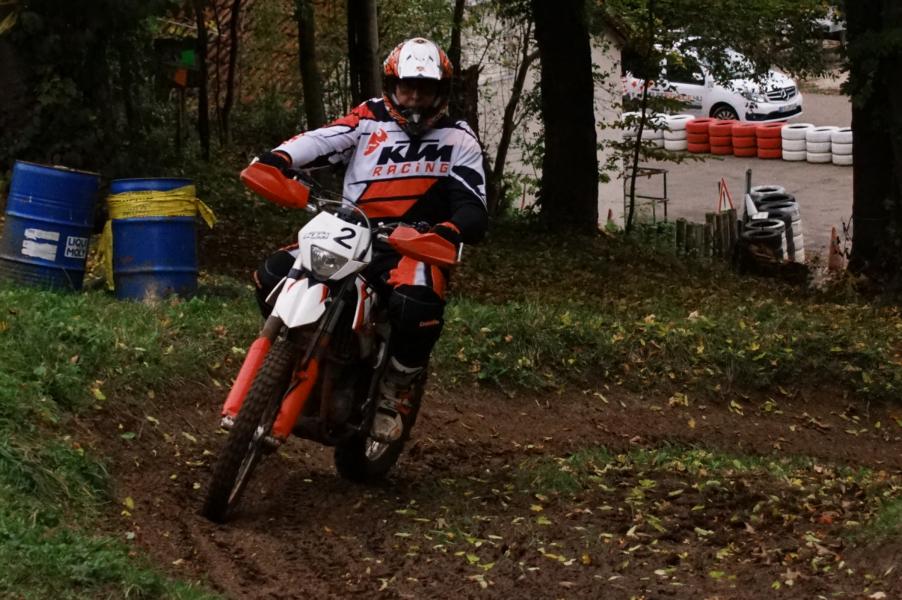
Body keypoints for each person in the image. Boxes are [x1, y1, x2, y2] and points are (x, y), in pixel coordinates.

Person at [251, 37, 488, 443]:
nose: (415, 97)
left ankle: (396, 388)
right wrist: (279, 159)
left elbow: (473, 205)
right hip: (351, 231)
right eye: (407, 87)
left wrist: (449, 230)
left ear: (441, 92)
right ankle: (287, 351)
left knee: (416, 304)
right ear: (392, 86)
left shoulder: (458, 138)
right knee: (271, 274)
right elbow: (322, 139)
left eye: (425, 88)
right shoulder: (368, 118)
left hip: (413, 245)